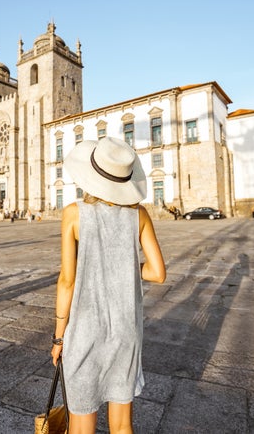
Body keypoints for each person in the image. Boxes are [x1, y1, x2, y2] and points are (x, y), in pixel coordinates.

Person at [51, 137, 166, 434]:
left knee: (81, 424)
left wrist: (59, 338)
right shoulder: (139, 215)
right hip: (125, 332)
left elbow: (67, 280)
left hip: (84, 333)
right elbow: (157, 272)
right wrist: (124, 266)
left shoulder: (74, 214)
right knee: (122, 426)